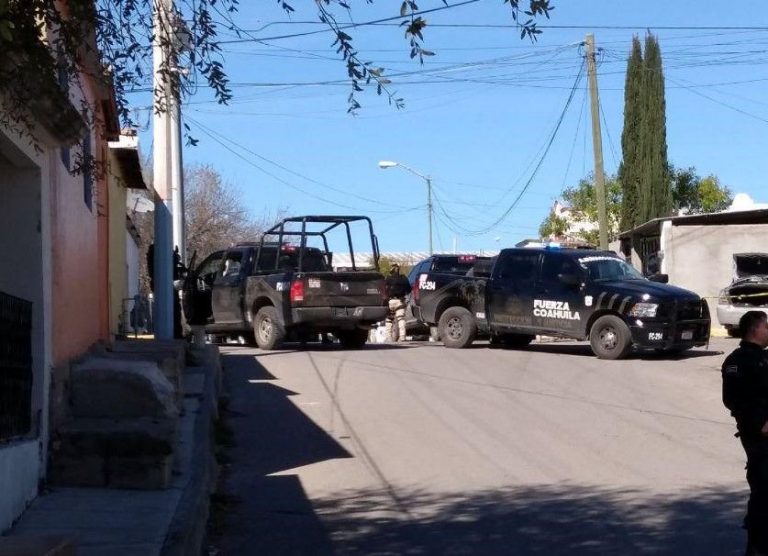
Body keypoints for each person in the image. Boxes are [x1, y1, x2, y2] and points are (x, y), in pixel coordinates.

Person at [722, 310, 768, 556]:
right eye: (766, 327)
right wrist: (759, 423)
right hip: (758, 437)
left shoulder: (764, 358)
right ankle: (757, 546)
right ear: (754, 330)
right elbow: (732, 399)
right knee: (763, 490)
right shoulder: (737, 361)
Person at [384, 263, 410, 342]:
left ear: (391, 270)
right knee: (401, 319)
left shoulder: (388, 279)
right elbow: (409, 289)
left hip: (390, 301)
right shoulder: (404, 278)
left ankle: (388, 337)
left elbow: (384, 290)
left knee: (389, 319)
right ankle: (402, 337)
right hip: (400, 301)